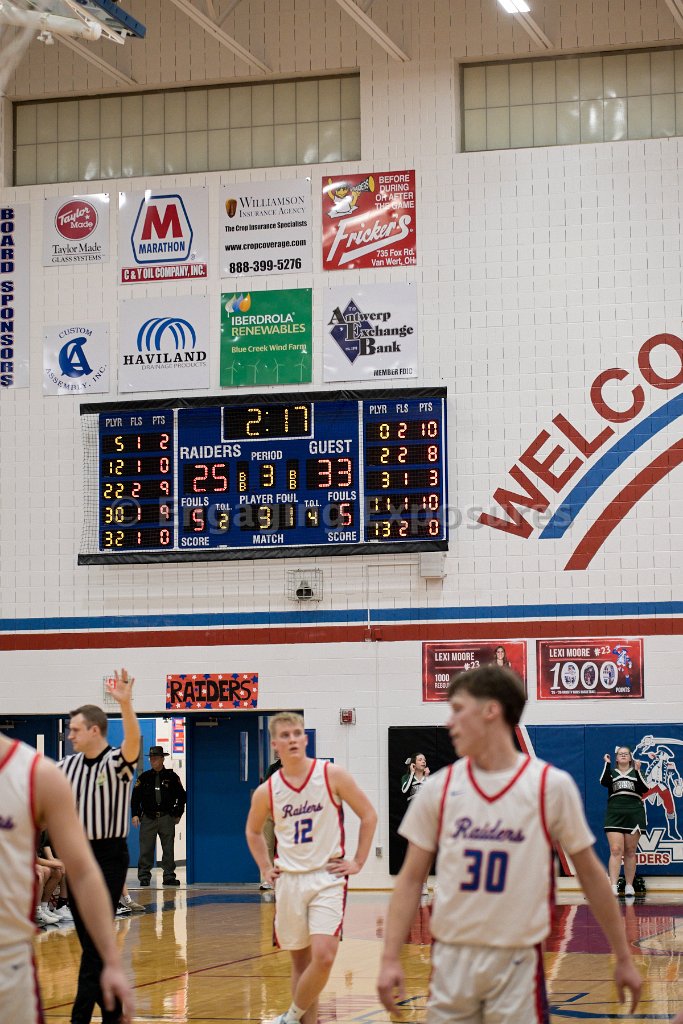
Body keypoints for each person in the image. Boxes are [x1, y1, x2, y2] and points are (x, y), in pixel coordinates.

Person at [377, 664, 642, 1024]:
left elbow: (593, 876)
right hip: (452, 962)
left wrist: (623, 957)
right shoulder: (438, 789)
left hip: (518, 964)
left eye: (458, 710)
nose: (449, 723)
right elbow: (410, 880)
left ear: (491, 711)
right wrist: (390, 957)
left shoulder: (549, 785)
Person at [245, 712, 377, 1024]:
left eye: (297, 733)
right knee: (301, 963)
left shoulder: (332, 775)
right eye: (285, 735)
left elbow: (369, 815)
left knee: (324, 956)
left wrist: (358, 861)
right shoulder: (267, 790)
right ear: (275, 744)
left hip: (327, 877)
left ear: (305, 739)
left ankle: (289, 1017)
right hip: (289, 880)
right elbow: (252, 831)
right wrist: (265, 867)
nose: (292, 739)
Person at [0, 728, 134, 1024]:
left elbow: (83, 873)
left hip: (9, 973)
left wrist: (112, 960)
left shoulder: (36, 774)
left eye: (77, 729)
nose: (72, 735)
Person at [59, 668, 141, 1024]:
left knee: (95, 944)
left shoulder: (116, 763)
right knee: (94, 946)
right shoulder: (66, 767)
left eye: (75, 729)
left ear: (95, 730)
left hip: (109, 858)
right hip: (77, 858)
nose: (69, 735)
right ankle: (114, 1015)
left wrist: (126, 704)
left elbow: (133, 743)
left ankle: (79, 1018)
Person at [131, 744, 186, 887]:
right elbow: (135, 798)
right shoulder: (144, 778)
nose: (152, 761)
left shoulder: (172, 777)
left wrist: (178, 813)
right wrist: (135, 814)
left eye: (155, 758)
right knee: (146, 849)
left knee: (168, 848)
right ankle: (144, 876)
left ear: (162, 759)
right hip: (148, 818)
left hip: (166, 817)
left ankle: (169, 876)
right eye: (151, 758)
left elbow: (182, 796)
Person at [601, 746, 649, 897]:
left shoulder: (637, 772)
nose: (623, 755)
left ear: (630, 757)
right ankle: (613, 885)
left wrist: (638, 770)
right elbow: (604, 781)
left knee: (630, 851)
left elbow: (645, 788)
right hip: (614, 814)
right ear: (616, 758)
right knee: (615, 850)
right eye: (620, 754)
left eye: (626, 754)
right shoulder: (611, 772)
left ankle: (629, 885)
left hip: (634, 814)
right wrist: (607, 764)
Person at [401, 753, 432, 897]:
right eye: (420, 759)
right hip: (413, 819)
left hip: (426, 819)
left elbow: (432, 794)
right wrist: (412, 773)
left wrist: (427, 778)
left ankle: (424, 885)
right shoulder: (406, 777)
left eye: (424, 760)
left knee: (426, 854)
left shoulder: (428, 778)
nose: (423, 761)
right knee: (413, 854)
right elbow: (404, 790)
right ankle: (413, 885)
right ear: (413, 763)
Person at [259, 757, 282, 891]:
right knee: (267, 845)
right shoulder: (273, 768)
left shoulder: (297, 768)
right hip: (270, 810)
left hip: (288, 812)